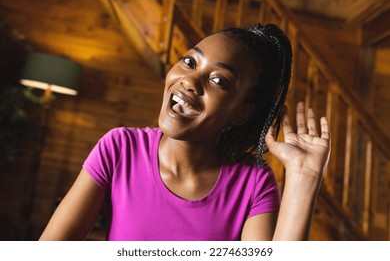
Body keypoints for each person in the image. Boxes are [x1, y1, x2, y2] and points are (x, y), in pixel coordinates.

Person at [39, 23, 330, 241]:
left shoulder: (253, 183)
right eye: (190, 62)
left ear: (242, 112)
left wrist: (305, 176)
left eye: (219, 80)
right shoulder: (120, 148)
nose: (190, 81)